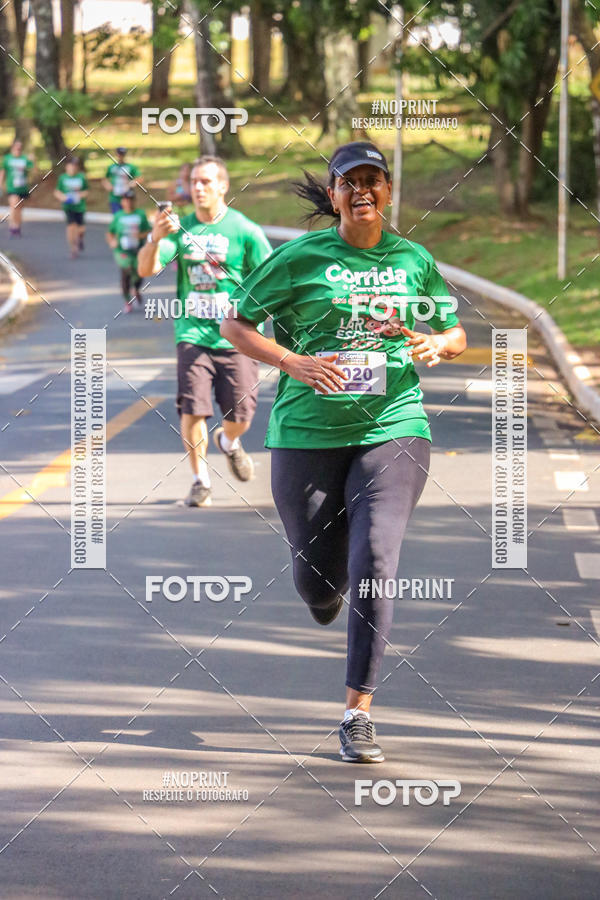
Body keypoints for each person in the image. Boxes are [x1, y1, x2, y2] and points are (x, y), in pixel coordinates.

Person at [221, 141, 467, 764]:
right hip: (307, 432)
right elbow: (235, 325)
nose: (362, 190)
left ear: (389, 191)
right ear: (332, 195)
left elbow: (455, 329)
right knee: (316, 576)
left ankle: (358, 712)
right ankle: (322, 591)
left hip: (394, 425)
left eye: (373, 180)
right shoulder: (299, 258)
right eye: (349, 181)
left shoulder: (413, 259)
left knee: (376, 560)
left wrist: (440, 343)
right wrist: (290, 361)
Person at [138, 156, 272, 508]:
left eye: (206, 182)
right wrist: (154, 238)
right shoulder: (180, 231)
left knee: (240, 416)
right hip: (192, 335)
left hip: (236, 336)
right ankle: (201, 481)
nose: (197, 188)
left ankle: (229, 442)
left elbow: (270, 281)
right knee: (192, 409)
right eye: (193, 182)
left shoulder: (245, 231)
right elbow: (147, 267)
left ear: (223, 186)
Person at [106, 188, 150, 313]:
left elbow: (148, 231)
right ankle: (127, 301)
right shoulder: (118, 216)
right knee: (125, 273)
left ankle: (136, 289)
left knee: (140, 273)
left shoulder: (140, 214)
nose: (128, 203)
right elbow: (110, 233)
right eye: (125, 200)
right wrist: (112, 242)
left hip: (138, 249)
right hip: (122, 251)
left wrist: (140, 236)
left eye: (130, 200)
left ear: (134, 201)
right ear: (122, 202)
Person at [54, 157, 88, 258]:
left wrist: (81, 195)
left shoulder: (81, 177)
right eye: (71, 165)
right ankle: (73, 249)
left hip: (80, 207)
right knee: (71, 227)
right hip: (68, 207)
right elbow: (57, 191)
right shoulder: (63, 178)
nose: (73, 168)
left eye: (75, 165)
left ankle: (80, 239)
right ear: (67, 166)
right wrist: (62, 197)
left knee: (81, 230)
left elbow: (87, 191)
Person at [0, 140, 33, 236]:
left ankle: (18, 226)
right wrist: (1, 184)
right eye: (16, 147)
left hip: (22, 188)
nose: (18, 150)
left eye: (20, 148)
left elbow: (32, 170)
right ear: (12, 148)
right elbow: (2, 172)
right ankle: (12, 226)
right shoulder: (7, 159)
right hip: (11, 187)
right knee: (14, 204)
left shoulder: (25, 158)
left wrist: (33, 160)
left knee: (19, 207)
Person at [103, 147, 141, 213]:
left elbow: (139, 178)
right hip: (114, 197)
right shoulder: (112, 167)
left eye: (122, 154)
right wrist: (107, 185)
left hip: (127, 197)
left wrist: (132, 183)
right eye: (119, 154)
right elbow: (105, 179)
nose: (121, 156)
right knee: (117, 216)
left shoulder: (130, 167)